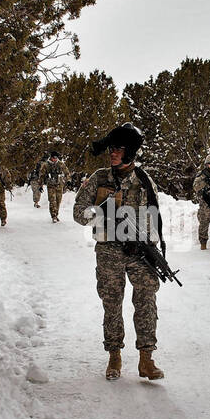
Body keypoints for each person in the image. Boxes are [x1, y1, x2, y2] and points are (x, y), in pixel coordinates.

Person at [73, 122, 164, 381]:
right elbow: (79, 212)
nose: (112, 153)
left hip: (139, 251)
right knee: (112, 303)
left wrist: (150, 247)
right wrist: (100, 213)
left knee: (146, 301)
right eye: (111, 149)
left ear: (131, 152)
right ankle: (114, 355)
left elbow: (153, 216)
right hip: (109, 251)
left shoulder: (145, 180)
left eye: (119, 149)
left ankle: (147, 358)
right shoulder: (99, 178)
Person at [38, 150, 70, 221]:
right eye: (53, 157)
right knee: (52, 201)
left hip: (59, 185)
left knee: (58, 201)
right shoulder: (46, 165)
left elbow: (67, 173)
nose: (55, 159)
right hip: (51, 186)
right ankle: (53, 216)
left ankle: (56, 214)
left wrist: (68, 180)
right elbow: (42, 176)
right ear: (51, 157)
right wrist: (40, 185)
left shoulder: (61, 164)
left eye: (56, 157)